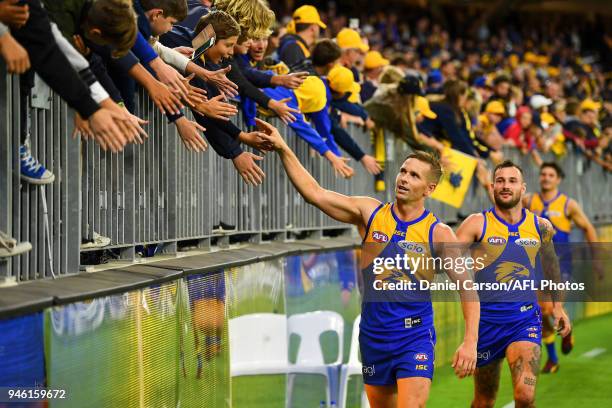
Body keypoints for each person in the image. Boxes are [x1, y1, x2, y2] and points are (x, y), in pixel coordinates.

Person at [258, 118, 479, 407]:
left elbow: (468, 289)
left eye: (414, 175)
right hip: (373, 335)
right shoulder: (370, 213)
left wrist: (470, 341)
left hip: (414, 336)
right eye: (403, 171)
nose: (403, 178)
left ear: (429, 188)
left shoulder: (438, 233)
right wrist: (283, 148)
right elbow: (315, 193)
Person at [456, 160, 572, 408]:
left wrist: (559, 308)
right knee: (484, 401)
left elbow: (552, 269)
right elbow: (447, 260)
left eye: (512, 181)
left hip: (524, 321)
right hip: (485, 325)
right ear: (492, 187)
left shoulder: (540, 227)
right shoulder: (477, 224)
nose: (505, 186)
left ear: (523, 188)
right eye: (500, 181)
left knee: (525, 396)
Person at [524, 162, 599, 373]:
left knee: (549, 308)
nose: (546, 178)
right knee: (539, 311)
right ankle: (553, 359)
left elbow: (588, 227)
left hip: (560, 264)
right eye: (543, 174)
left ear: (558, 179)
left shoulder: (568, 204)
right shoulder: (530, 200)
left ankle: (566, 331)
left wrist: (596, 259)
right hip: (536, 264)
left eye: (550, 175)